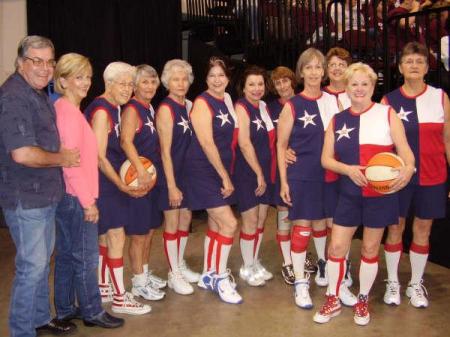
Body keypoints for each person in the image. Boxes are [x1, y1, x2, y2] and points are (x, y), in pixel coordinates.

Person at [314, 62, 415, 326]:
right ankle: (333, 298)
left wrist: (408, 169)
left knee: (370, 248)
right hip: (348, 192)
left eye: (365, 84)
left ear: (373, 87)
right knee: (336, 246)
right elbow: (326, 159)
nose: (359, 89)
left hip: (380, 194)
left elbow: (405, 151)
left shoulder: (387, 113)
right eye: (354, 84)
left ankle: (362, 299)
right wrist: (347, 169)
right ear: (346, 87)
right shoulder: (337, 119)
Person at [0, 35, 79, 337]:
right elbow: (22, 153)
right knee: (31, 269)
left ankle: (39, 318)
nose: (45, 68)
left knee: (41, 264)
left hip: (44, 195)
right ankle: (22, 331)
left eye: (50, 61)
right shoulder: (13, 97)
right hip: (26, 198)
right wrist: (63, 158)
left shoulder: (37, 93)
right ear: (21, 63)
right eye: (37, 61)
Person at [277, 48, 356, 309]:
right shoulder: (293, 105)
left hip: (331, 175)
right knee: (301, 229)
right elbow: (281, 145)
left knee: (337, 231)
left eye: (318, 67)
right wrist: (285, 181)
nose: (313, 72)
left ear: (324, 72)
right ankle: (301, 283)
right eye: (308, 67)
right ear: (301, 72)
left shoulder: (334, 102)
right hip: (302, 176)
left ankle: (337, 283)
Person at [53, 53, 124, 329]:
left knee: (69, 256)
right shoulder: (68, 113)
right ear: (63, 81)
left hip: (70, 197)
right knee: (85, 258)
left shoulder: (67, 108)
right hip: (76, 198)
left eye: (87, 77)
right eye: (78, 77)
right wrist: (87, 202)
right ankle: (92, 311)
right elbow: (70, 164)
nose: (85, 83)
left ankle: (65, 309)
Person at [382, 42, 450, 308]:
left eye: (419, 61)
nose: (413, 66)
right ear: (400, 67)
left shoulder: (441, 97)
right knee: (395, 228)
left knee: (423, 229)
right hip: (399, 178)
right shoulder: (389, 100)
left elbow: (447, 139)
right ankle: (393, 283)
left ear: (426, 68)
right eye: (408, 61)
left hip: (433, 176)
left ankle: (415, 283)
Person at [85, 62, 151, 315]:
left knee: (105, 236)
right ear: (108, 83)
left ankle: (104, 287)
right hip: (105, 181)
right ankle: (121, 298)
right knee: (116, 236)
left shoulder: (113, 107)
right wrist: (122, 185)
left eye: (130, 84)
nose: (127, 89)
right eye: (122, 83)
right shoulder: (102, 111)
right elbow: (100, 157)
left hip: (105, 180)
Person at [184, 56, 242, 304]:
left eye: (221, 75)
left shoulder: (227, 99)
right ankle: (219, 277)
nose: (217, 80)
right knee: (229, 223)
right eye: (212, 76)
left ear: (228, 78)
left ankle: (209, 273)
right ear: (205, 79)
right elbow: (207, 143)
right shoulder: (201, 103)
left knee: (217, 224)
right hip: (202, 170)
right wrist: (224, 176)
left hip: (219, 168)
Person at [120, 65, 166, 302]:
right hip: (139, 180)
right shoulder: (132, 110)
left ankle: (145, 274)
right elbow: (126, 142)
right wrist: (140, 170)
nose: (149, 86)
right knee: (138, 235)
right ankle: (138, 283)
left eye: (152, 82)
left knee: (148, 231)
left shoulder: (149, 109)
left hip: (151, 180)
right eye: (144, 82)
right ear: (135, 85)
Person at [156, 59, 200, 295]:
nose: (181, 83)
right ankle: (173, 273)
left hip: (187, 175)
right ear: (167, 82)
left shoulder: (189, 105)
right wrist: (171, 186)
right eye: (175, 79)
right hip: (170, 176)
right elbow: (164, 151)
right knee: (172, 224)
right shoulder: (165, 109)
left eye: (184, 79)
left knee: (185, 221)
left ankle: (180, 264)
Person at [234, 65, 275, 287]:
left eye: (260, 84)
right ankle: (246, 266)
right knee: (249, 220)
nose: (257, 88)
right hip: (248, 171)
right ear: (244, 86)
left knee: (260, 219)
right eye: (252, 84)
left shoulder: (264, 107)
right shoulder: (241, 107)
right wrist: (259, 172)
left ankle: (255, 260)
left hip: (265, 170)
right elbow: (244, 142)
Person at [323, 47, 353, 288]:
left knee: (344, 220)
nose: (336, 68)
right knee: (325, 219)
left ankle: (345, 262)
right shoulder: (318, 96)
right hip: (325, 167)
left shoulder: (357, 94)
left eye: (341, 64)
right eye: (332, 64)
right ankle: (327, 262)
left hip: (351, 168)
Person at [267, 66, 298, 285]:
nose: (282, 86)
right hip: (281, 169)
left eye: (285, 81)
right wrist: (281, 148)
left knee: (304, 218)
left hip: (305, 168)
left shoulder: (306, 102)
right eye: (277, 83)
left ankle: (300, 257)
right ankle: (288, 262)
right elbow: (267, 137)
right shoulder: (269, 109)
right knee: (284, 213)